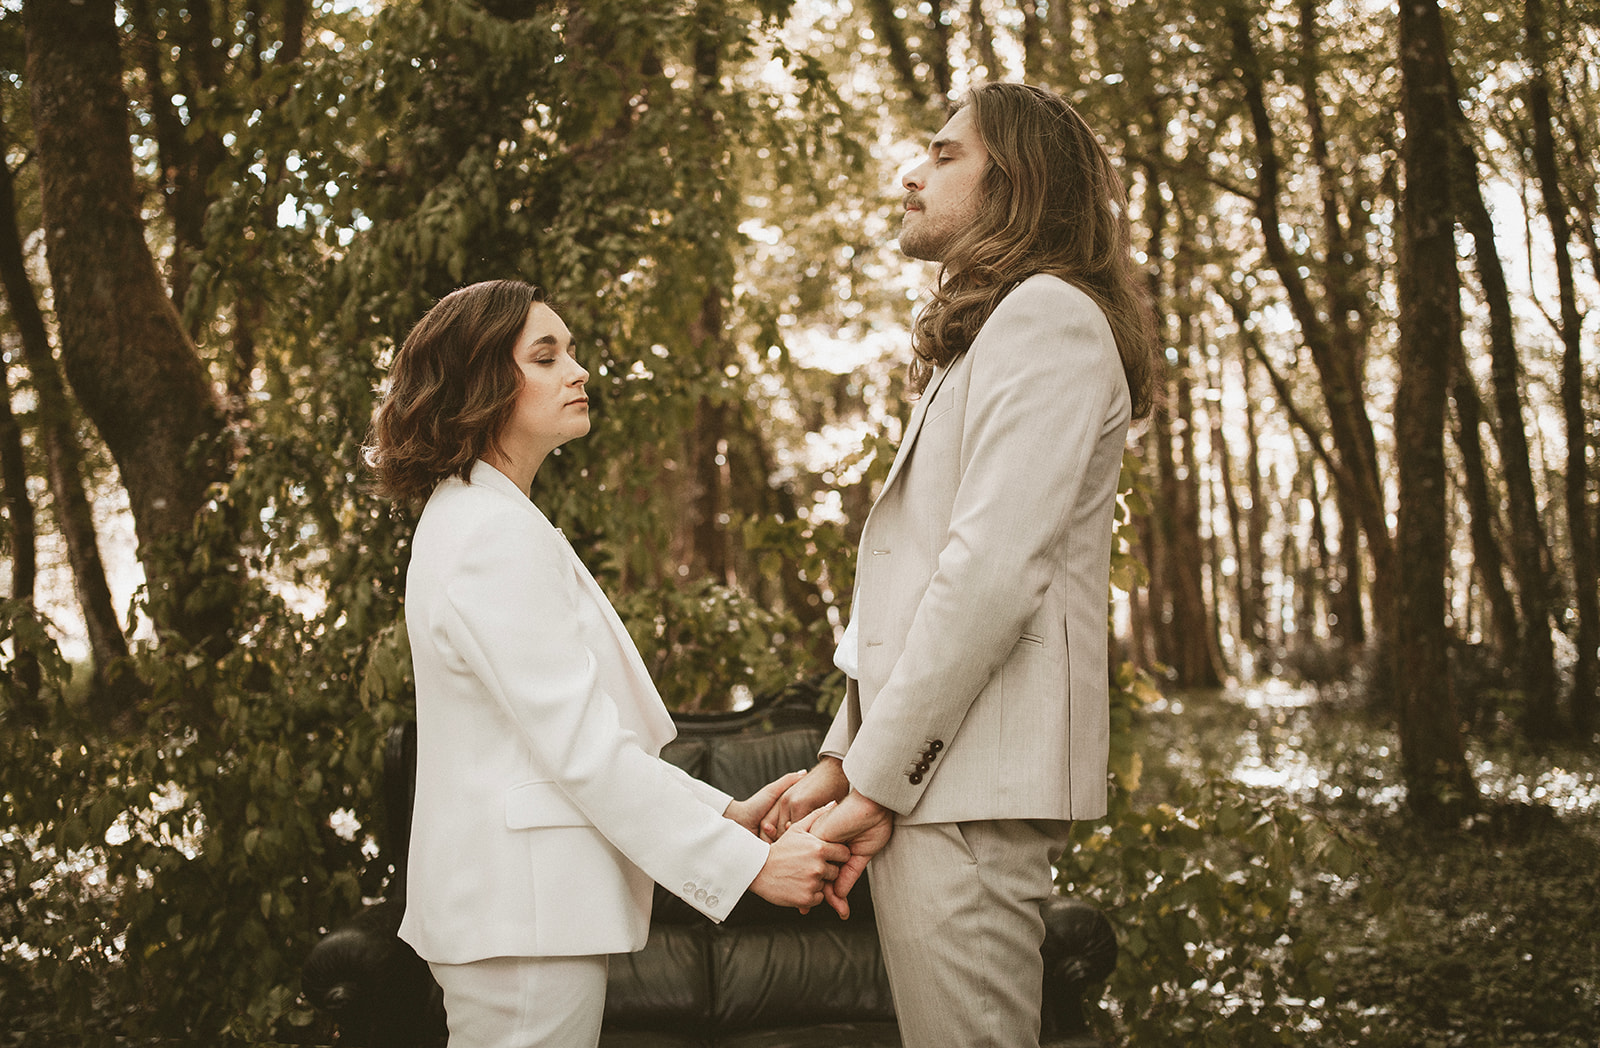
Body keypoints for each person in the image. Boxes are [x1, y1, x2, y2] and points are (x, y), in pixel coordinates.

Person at [764, 82, 1157, 1047]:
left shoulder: (1050, 317)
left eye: (945, 155)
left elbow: (987, 575)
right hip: (935, 787)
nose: (912, 173)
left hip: (970, 788)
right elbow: (913, 581)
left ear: (1015, 182)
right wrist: (838, 760)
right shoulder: (990, 332)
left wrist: (875, 783)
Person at [366, 279, 850, 1048]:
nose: (578, 371)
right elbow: (584, 753)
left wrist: (726, 815)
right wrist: (746, 868)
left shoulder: (487, 518)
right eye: (546, 356)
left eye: (572, 352)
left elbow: (564, 744)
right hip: (522, 923)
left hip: (520, 918)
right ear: (483, 385)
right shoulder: (490, 533)